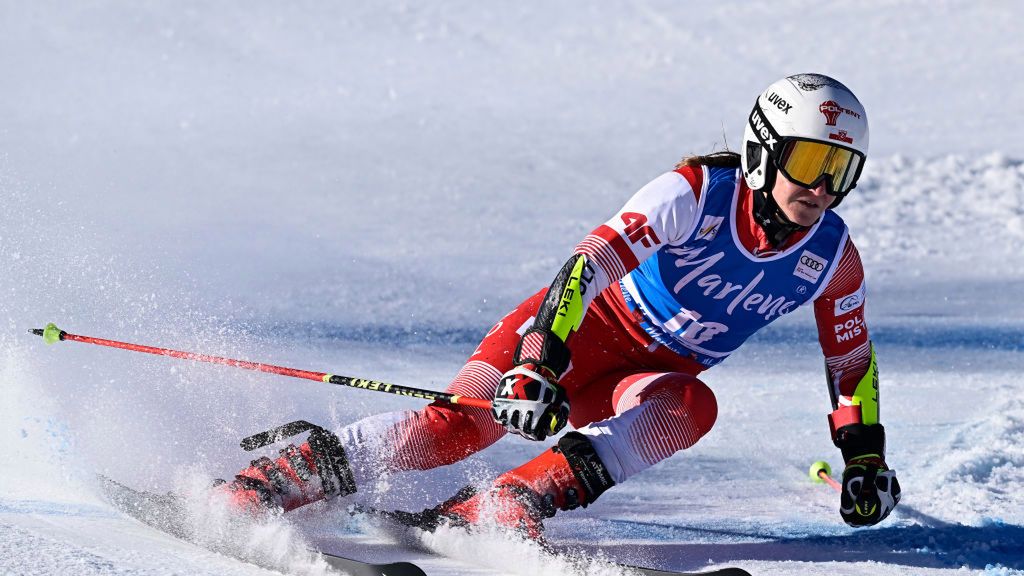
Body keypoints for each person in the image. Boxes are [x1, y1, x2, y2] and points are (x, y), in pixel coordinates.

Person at [217, 73, 901, 538]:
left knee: (692, 406)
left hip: (627, 382)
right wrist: (537, 363)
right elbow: (587, 265)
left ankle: (511, 501)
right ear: (763, 152)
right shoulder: (695, 193)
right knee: (455, 428)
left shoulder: (831, 258)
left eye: (840, 172)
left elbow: (850, 361)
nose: (822, 187)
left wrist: (864, 456)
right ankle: (273, 479)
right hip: (570, 336)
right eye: (809, 163)